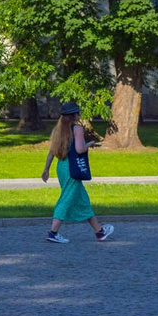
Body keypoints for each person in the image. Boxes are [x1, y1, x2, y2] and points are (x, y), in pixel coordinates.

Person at [42, 103, 115, 244]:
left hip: (62, 167)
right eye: (77, 113)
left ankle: (99, 232)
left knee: (82, 200)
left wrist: (46, 169)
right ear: (73, 115)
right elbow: (80, 150)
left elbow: (52, 150)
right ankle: (53, 232)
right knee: (67, 198)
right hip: (72, 167)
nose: (79, 115)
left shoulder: (59, 129)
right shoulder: (77, 129)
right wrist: (90, 144)